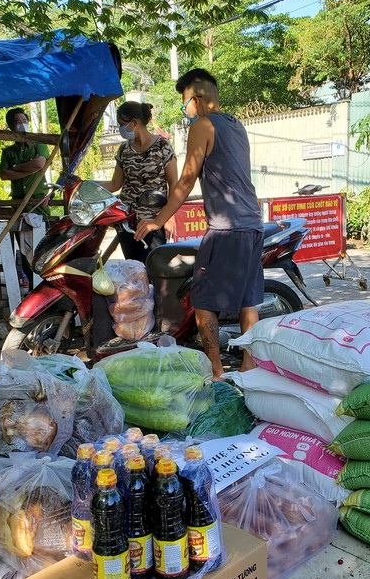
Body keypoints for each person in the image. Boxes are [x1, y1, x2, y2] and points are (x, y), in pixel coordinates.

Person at [135, 68, 263, 380]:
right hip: (252, 224)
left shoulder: (202, 125)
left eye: (185, 104)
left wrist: (158, 220)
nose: (186, 111)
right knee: (248, 301)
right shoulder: (237, 125)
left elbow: (187, 179)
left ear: (198, 99)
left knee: (203, 302)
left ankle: (216, 371)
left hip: (226, 229)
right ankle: (249, 366)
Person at [99, 101, 177, 262]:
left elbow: (174, 184)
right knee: (134, 272)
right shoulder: (124, 149)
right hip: (127, 223)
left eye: (122, 124)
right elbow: (115, 184)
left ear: (134, 123)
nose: (120, 129)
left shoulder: (162, 145)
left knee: (154, 272)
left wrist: (170, 217)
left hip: (155, 221)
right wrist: (87, 185)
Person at [0, 108, 51, 282]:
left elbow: (40, 163)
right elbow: (4, 174)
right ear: (11, 127)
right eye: (18, 122)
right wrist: (28, 169)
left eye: (24, 120)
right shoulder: (8, 152)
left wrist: (15, 169)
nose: (23, 124)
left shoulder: (39, 143)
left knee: (43, 245)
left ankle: (45, 281)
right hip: (19, 204)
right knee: (24, 247)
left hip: (38, 202)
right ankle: (30, 283)